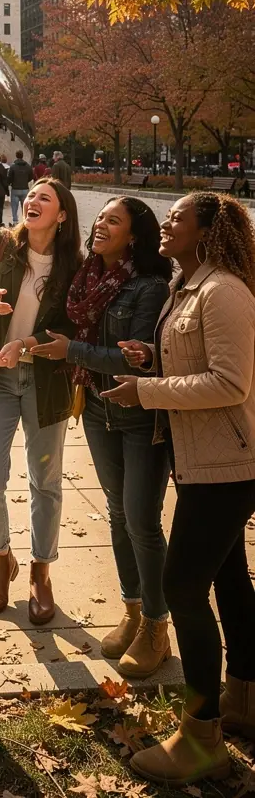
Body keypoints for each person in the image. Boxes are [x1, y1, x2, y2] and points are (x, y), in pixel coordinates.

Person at [108, 194, 255, 784]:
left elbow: (230, 383)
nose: (165, 223)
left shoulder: (223, 291)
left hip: (230, 464)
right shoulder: (187, 284)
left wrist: (149, 391)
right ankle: (243, 698)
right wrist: (153, 360)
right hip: (205, 462)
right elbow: (195, 360)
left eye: (177, 218)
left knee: (183, 589)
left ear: (207, 231)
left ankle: (201, 737)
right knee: (228, 580)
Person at [32, 198, 172, 677]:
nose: (100, 225)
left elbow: (131, 358)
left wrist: (71, 350)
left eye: (114, 220)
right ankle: (132, 611)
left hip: (136, 416)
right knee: (117, 513)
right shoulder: (88, 276)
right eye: (100, 218)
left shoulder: (148, 287)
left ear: (133, 235)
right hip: (94, 407)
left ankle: (158, 626)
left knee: (142, 520)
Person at [0, 179, 82, 624]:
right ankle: (1, 559)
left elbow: (74, 327)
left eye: (43, 198)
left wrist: (27, 344)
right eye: (30, 195)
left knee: (45, 481)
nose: (31, 202)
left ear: (62, 215)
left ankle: (40, 571)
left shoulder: (74, 265)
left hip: (47, 384)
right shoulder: (1, 245)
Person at [7, 150, 34, 227]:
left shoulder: (12, 166)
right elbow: (31, 176)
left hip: (15, 188)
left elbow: (9, 178)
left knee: (14, 207)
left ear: (16, 156)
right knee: (25, 206)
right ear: (22, 156)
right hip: (25, 189)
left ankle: (15, 221)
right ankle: (25, 220)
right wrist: (25, 180)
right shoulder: (28, 166)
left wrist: (10, 183)